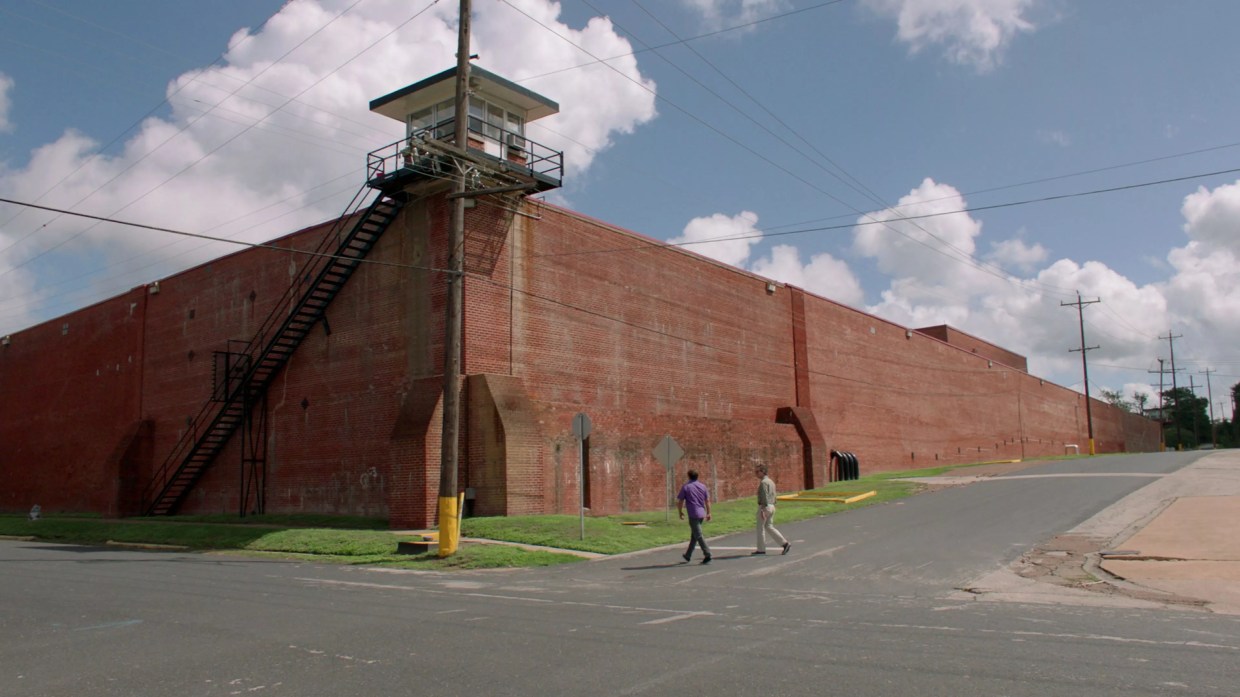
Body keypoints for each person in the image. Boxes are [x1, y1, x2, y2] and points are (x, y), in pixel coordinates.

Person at [753, 463, 791, 555]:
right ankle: (784, 543)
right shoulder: (771, 481)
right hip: (772, 506)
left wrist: (762, 509)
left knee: (760, 528)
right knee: (769, 526)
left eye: (757, 471)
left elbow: (764, 496)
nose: (756, 473)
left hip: (765, 506)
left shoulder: (763, 483)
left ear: (763, 472)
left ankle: (761, 549)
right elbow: (774, 495)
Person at [676, 469, 712, 564]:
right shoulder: (702, 486)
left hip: (693, 513)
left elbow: (680, 501)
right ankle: (688, 555)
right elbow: (707, 501)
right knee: (694, 535)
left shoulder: (686, 487)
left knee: (698, 535)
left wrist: (680, 511)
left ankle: (707, 553)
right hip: (701, 513)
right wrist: (709, 512)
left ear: (688, 476)